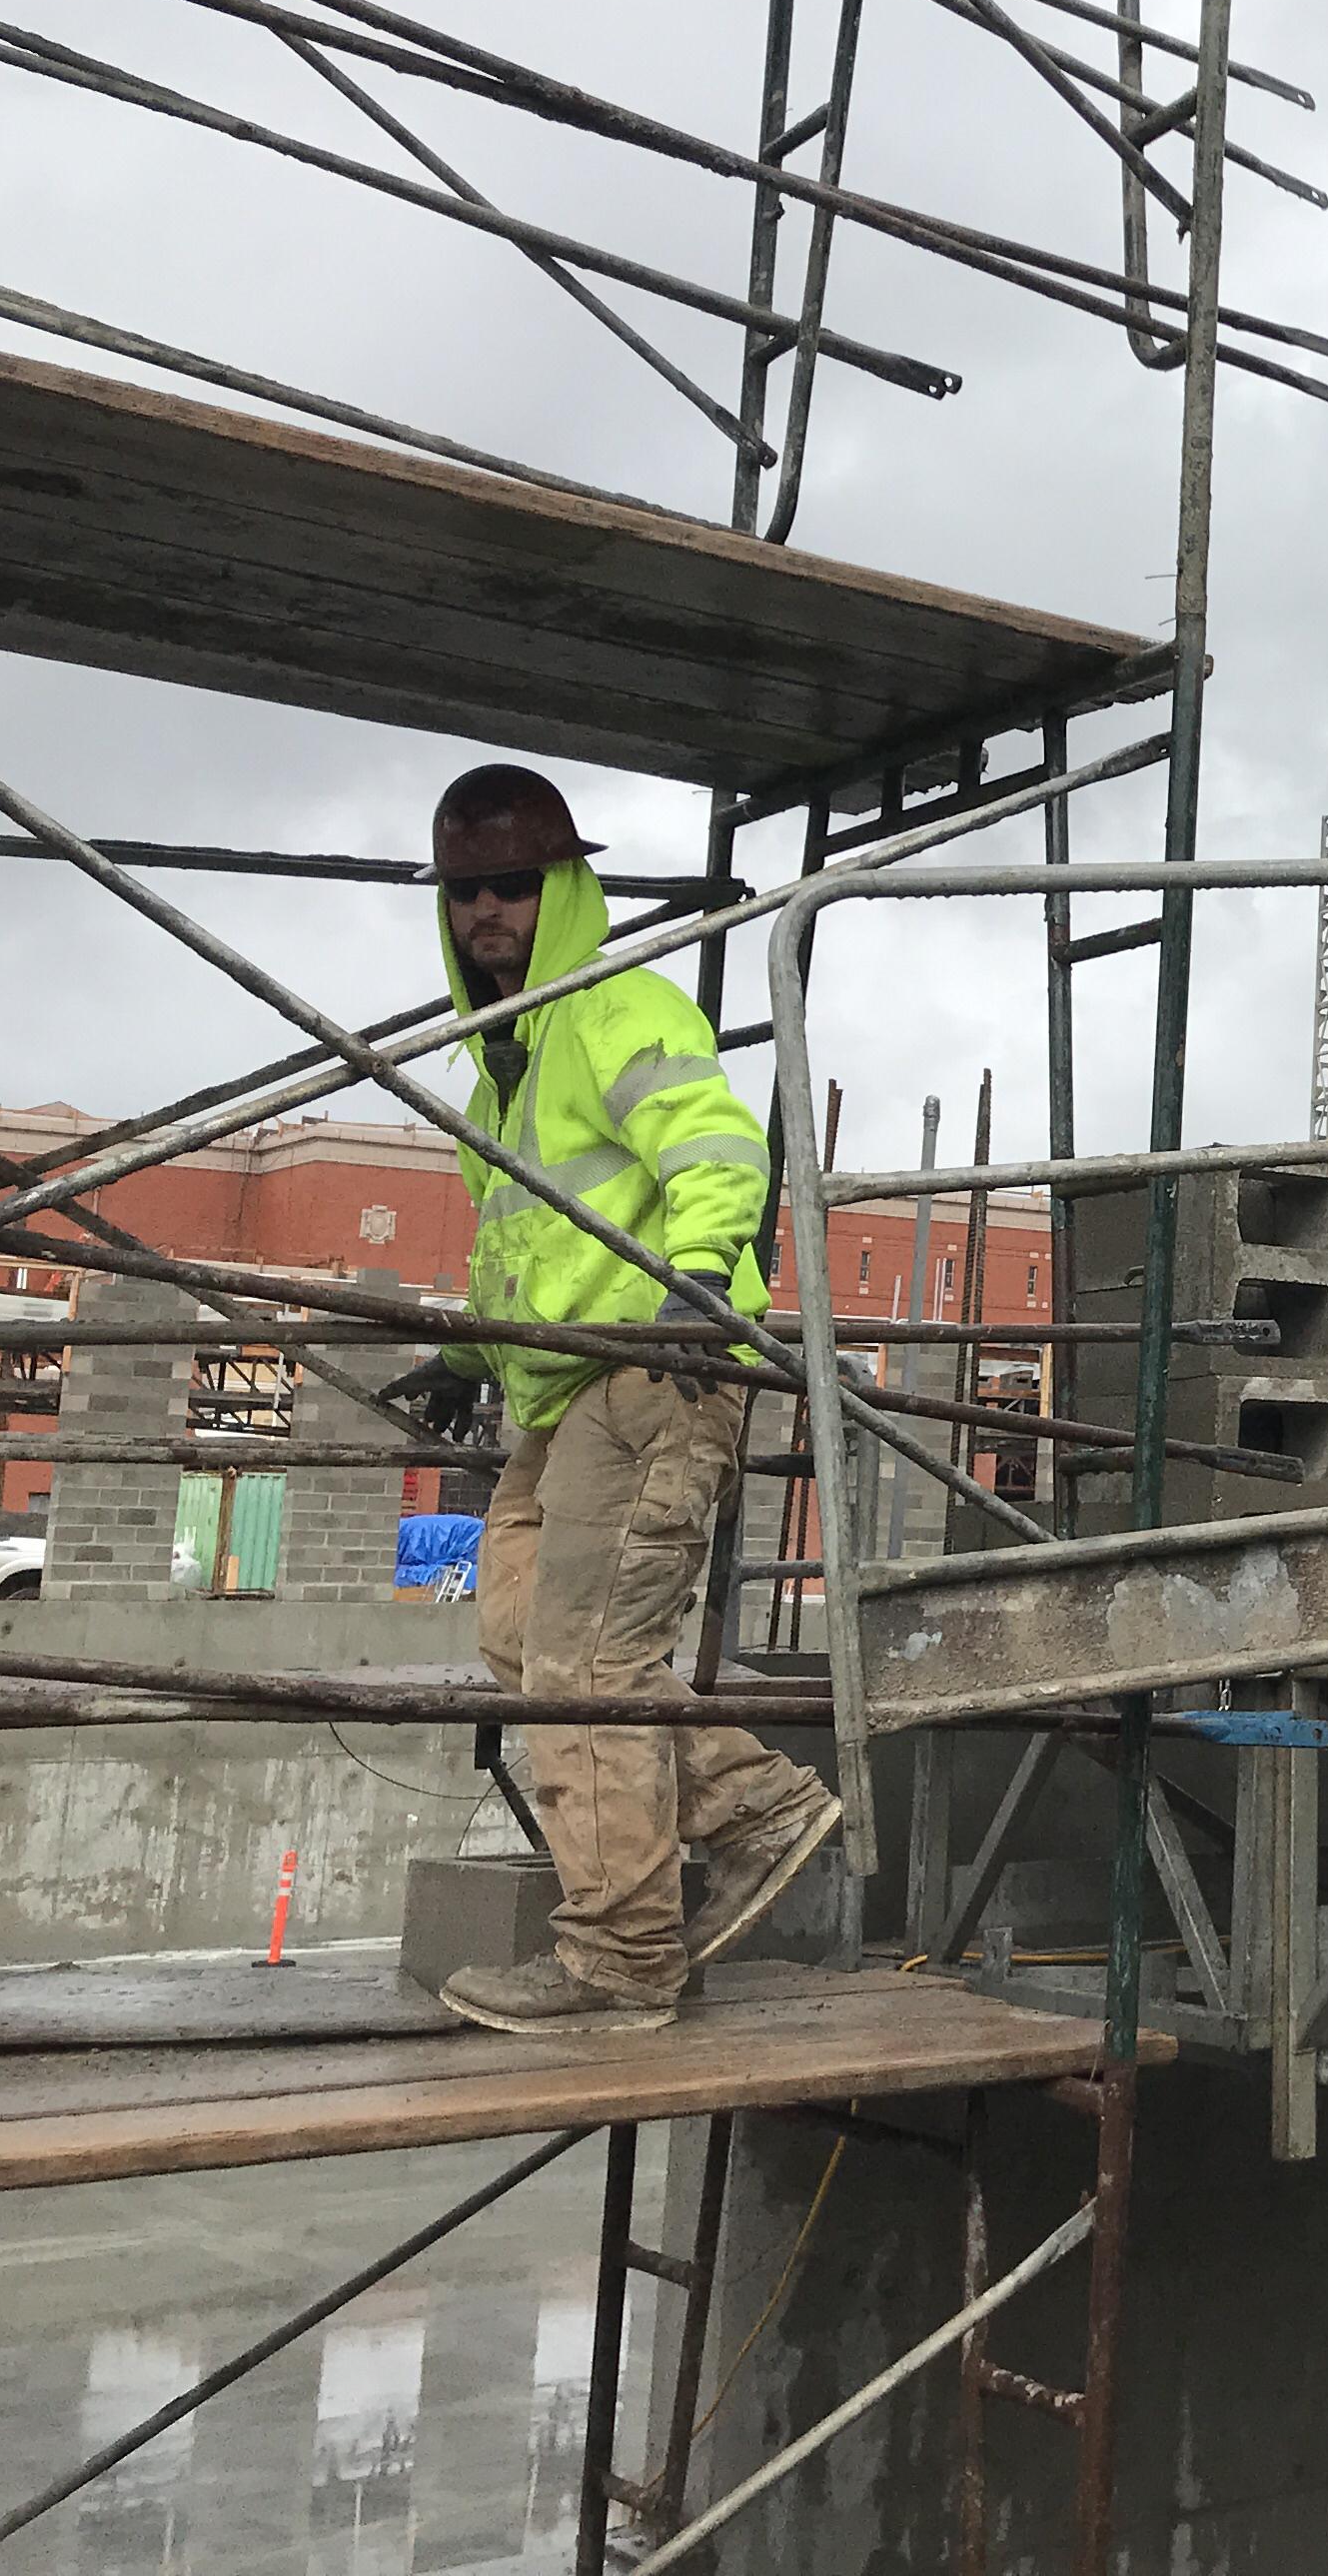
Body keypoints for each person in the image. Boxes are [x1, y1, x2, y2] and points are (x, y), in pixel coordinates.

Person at [384, 765, 839, 2032]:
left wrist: (698, 1283)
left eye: (514, 885)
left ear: (565, 888)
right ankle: (758, 1811)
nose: (488, 910)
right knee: (520, 1638)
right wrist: (469, 1362)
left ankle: (622, 1955)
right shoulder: (507, 1074)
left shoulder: (615, 1011)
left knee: (588, 1665)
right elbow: (520, 1248)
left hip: (651, 1375)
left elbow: (716, 1146)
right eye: (468, 888)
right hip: (560, 1394)